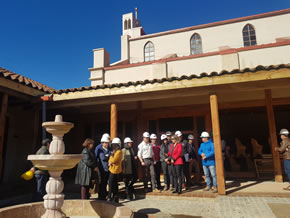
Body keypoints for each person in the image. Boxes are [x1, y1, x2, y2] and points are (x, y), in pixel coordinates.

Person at [108, 138, 123, 203]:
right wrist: (110, 159)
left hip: (115, 170)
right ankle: (115, 197)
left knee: (111, 184)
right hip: (113, 169)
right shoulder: (115, 152)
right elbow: (110, 159)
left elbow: (114, 160)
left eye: (114, 145)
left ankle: (110, 197)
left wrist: (111, 159)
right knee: (114, 184)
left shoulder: (119, 152)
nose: (113, 146)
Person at [97, 135, 111, 200]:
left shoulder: (108, 149)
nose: (107, 144)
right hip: (102, 169)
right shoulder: (100, 149)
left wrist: (108, 155)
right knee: (101, 183)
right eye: (106, 143)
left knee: (105, 183)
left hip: (107, 169)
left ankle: (104, 195)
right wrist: (109, 155)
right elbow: (103, 158)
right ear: (103, 143)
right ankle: (101, 196)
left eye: (107, 143)